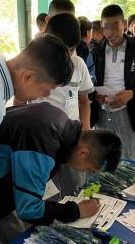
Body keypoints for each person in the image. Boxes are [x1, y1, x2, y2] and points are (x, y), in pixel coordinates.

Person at [0, 103, 122, 242]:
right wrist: (76, 210)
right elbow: (28, 208)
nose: (84, 171)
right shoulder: (44, 141)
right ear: (84, 152)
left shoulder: (60, 122)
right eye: (89, 169)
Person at [32, 13, 94, 197]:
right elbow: (20, 104)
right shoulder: (33, 63)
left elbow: (84, 102)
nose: (66, 55)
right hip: (41, 139)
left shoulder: (78, 64)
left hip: (72, 137)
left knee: (75, 189)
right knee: (46, 193)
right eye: (61, 49)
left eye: (72, 49)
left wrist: (85, 132)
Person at [87, 4, 135, 161]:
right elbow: (87, 81)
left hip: (129, 114)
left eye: (115, 26)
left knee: (131, 160)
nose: (110, 32)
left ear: (124, 24)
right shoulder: (95, 52)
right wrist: (94, 95)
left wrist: (132, 94)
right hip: (102, 114)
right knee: (103, 160)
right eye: (106, 27)